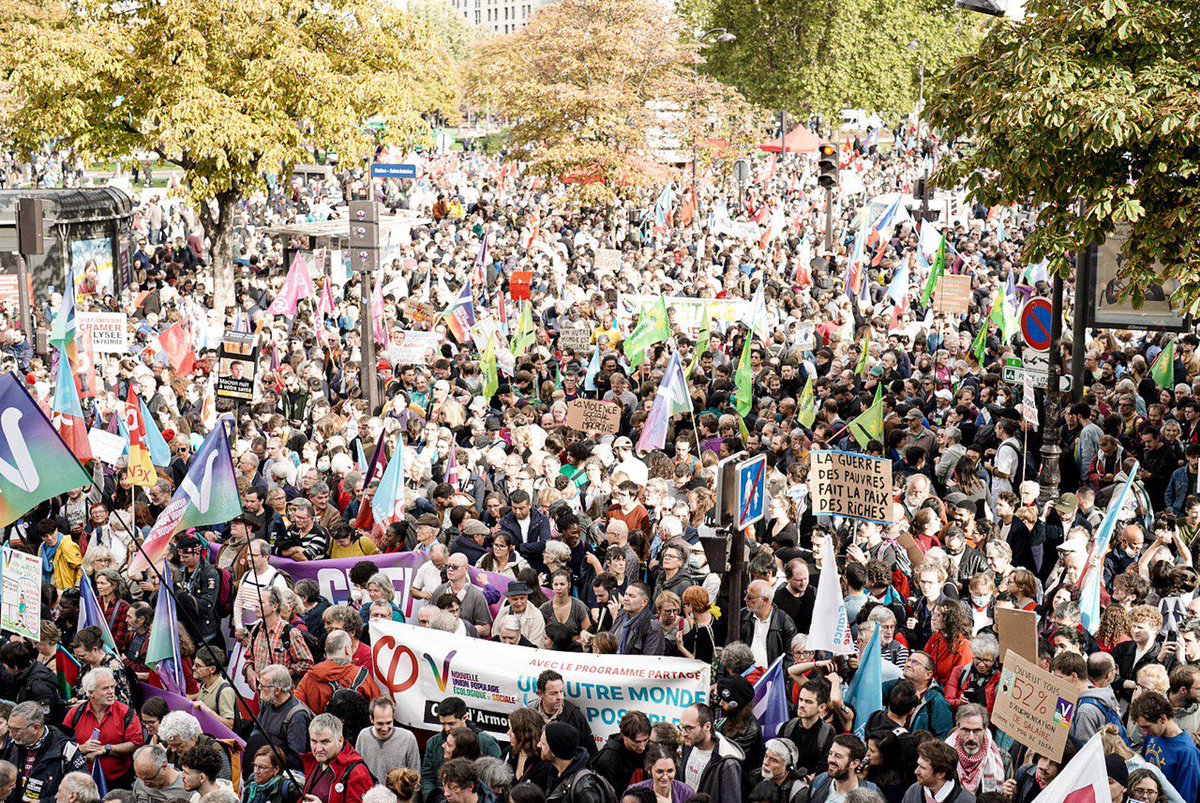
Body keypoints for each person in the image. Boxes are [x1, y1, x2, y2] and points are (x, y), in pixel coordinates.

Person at [63, 668, 144, 789]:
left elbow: (136, 744)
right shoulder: (75, 714)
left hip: (118, 782)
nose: (111, 692)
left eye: (112, 687)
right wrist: (81, 748)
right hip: (81, 782)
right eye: (105, 688)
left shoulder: (126, 713)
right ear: (90, 693)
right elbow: (61, 745)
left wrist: (106, 749)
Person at [0, 701, 87, 803]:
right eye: (9, 728)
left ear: (36, 728)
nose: (11, 735)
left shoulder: (67, 750)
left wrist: (44, 802)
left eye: (16, 730)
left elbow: (81, 792)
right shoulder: (12, 745)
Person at [421, 699, 502, 803]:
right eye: (442, 724)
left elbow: (498, 779)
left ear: (464, 718)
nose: (446, 728)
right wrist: (434, 798)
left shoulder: (486, 742)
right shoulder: (433, 743)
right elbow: (428, 777)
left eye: (451, 724)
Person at [1131, 692, 1200, 803]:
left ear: (1162, 719)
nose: (1144, 733)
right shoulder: (1153, 735)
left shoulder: (1187, 752)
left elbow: (1186, 798)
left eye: (1147, 727)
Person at [294, 631, 380, 714]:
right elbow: (377, 706)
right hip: (354, 728)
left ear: (326, 651)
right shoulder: (361, 676)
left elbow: (296, 706)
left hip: (319, 727)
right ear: (347, 649)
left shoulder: (311, 676)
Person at [248, 664, 312, 775]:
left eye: (263, 686)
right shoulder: (267, 703)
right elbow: (257, 730)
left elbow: (295, 759)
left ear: (277, 690)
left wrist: (269, 758)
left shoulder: (297, 716)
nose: (259, 688)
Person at [300, 714, 374, 803]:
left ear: (340, 740)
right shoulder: (314, 761)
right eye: (314, 741)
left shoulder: (357, 772)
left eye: (325, 742)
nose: (318, 749)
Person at [678, 703, 744, 803]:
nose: (683, 733)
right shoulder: (689, 745)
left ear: (707, 726)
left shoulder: (727, 763)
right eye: (681, 727)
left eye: (689, 728)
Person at [538, 722, 609, 803]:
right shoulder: (554, 773)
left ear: (554, 750)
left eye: (543, 743)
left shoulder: (584, 788)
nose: (538, 745)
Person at [530, 671, 595, 758]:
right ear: (541, 694)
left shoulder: (574, 716)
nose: (560, 697)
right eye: (553, 693)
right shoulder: (530, 713)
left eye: (561, 691)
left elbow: (589, 751)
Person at [944, 705, 1006, 795]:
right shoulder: (944, 756)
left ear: (985, 729)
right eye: (966, 730)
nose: (971, 737)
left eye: (977, 731)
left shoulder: (1003, 759)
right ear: (958, 727)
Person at [355, 698, 419, 781]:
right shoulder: (363, 736)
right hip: (371, 793)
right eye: (380, 723)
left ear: (393, 717)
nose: (385, 728)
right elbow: (357, 770)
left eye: (388, 723)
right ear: (371, 719)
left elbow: (415, 775)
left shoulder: (408, 738)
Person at [741, 579, 798, 670]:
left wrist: (778, 679)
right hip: (744, 676)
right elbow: (729, 648)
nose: (745, 599)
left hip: (771, 678)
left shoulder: (784, 622)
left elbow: (789, 659)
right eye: (746, 594)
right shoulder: (742, 616)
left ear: (765, 600)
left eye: (750, 597)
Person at [807, 735, 879, 803]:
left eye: (838, 756)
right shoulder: (819, 782)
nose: (831, 759)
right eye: (830, 753)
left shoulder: (871, 795)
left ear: (854, 763)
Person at [592, 711, 650, 794]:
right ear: (623, 736)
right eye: (636, 742)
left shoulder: (648, 749)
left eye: (645, 740)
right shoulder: (607, 761)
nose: (642, 747)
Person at [901, 741, 975, 803]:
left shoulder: (967, 801)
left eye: (923, 768)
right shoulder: (913, 792)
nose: (916, 771)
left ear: (940, 774)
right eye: (918, 765)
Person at [612, 583, 665, 657]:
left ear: (644, 602)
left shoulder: (653, 626)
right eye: (626, 594)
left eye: (631, 596)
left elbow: (650, 660)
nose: (625, 599)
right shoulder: (621, 614)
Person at [748, 738, 807, 803]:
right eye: (765, 756)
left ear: (787, 766)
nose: (765, 762)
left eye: (773, 760)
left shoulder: (799, 793)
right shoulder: (755, 778)